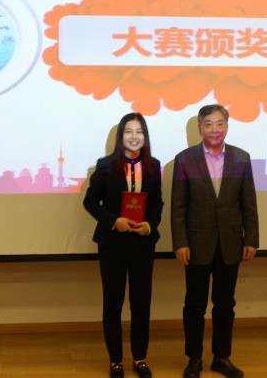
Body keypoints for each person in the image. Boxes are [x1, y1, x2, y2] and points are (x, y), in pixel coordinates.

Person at [171, 104, 259, 378]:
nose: (214, 129)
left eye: (220, 124)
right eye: (208, 124)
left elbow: (249, 204)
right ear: (200, 127)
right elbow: (178, 207)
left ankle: (222, 357)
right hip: (196, 244)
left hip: (231, 244)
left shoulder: (241, 158)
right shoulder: (185, 160)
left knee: (225, 305)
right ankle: (194, 359)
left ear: (227, 126)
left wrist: (251, 238)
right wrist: (180, 242)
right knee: (194, 305)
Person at [84, 113, 164, 378]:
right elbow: (90, 202)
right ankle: (115, 360)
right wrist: (113, 221)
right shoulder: (105, 166)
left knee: (141, 303)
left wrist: (150, 225)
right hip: (112, 244)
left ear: (145, 136)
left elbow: (157, 203)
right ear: (121, 136)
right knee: (113, 303)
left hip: (142, 244)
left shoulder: (153, 165)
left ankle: (140, 358)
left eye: (139, 131)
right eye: (129, 131)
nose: (134, 136)